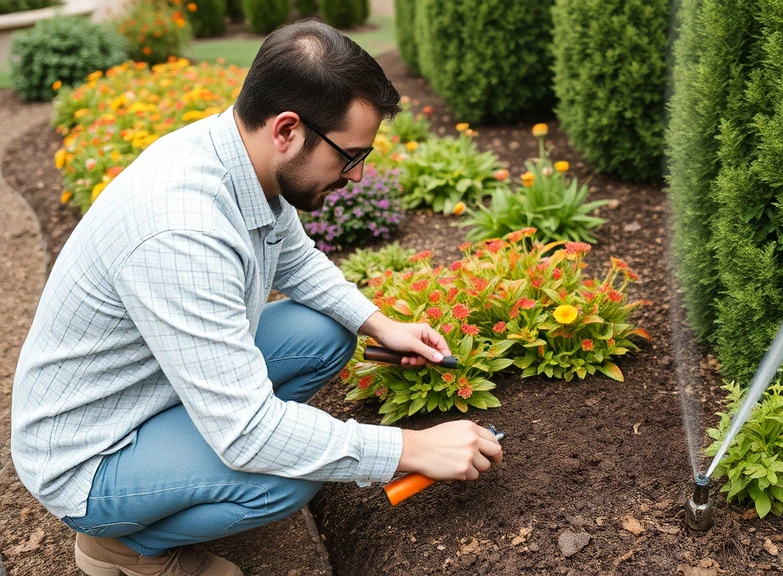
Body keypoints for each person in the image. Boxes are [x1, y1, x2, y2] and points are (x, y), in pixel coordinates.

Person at [11, 19, 502, 576]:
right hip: (91, 453)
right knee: (288, 479)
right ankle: (125, 545)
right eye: (350, 156)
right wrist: (411, 450)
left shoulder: (237, 156)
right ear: (288, 129)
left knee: (326, 332)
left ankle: (179, 477)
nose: (358, 176)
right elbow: (246, 433)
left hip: (151, 388)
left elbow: (295, 258)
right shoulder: (182, 231)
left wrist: (380, 324)